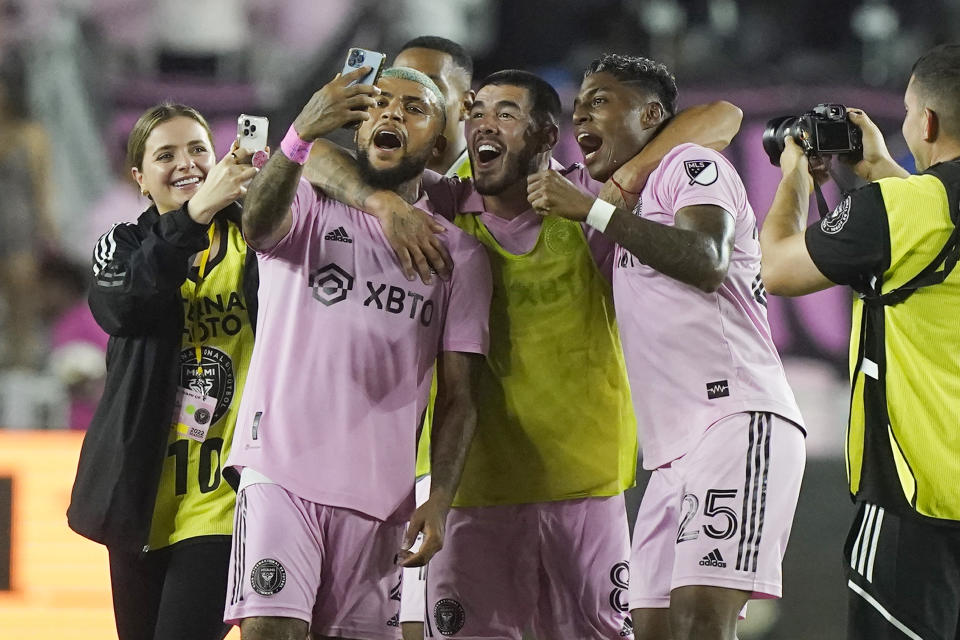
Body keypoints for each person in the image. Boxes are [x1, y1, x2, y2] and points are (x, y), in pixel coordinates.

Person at [305, 67, 742, 639]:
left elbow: (724, 116)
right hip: (469, 493)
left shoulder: (589, 202)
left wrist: (619, 185)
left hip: (584, 491)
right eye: (477, 114)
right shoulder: (442, 204)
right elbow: (313, 156)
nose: (484, 125)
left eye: (505, 115)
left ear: (543, 136)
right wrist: (384, 205)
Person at [527, 53, 806, 640]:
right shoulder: (620, 204)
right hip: (669, 456)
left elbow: (707, 260)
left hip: (736, 418)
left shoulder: (689, 163)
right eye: (578, 106)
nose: (581, 115)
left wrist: (597, 209)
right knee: (650, 627)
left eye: (599, 101)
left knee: (702, 622)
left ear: (651, 114)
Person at [223, 66, 492, 640]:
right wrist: (298, 135)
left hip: (383, 503)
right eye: (379, 103)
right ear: (361, 126)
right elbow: (257, 223)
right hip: (280, 475)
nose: (391, 113)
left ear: (441, 145)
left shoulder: (461, 256)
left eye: (414, 108)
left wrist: (439, 497)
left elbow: (460, 397)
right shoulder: (311, 206)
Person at [758, 43, 960, 640]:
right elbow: (935, 224)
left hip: (916, 496)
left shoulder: (900, 211)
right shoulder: (915, 208)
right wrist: (880, 171)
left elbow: (777, 267)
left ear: (925, 121)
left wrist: (795, 177)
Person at [67, 103, 260, 640]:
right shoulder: (122, 244)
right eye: (165, 154)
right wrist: (192, 218)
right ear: (140, 179)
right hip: (141, 501)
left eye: (198, 148)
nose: (187, 163)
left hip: (225, 498)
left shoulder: (257, 243)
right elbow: (124, 307)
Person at [0, 64, 58, 368]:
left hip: (18, 225)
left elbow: (41, 184)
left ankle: (20, 364)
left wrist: (47, 226)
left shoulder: (30, 134)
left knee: (22, 301)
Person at [394, 35, 474, 178]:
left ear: (466, 105)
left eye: (429, 87)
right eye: (397, 86)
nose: (406, 100)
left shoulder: (503, 187)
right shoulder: (365, 179)